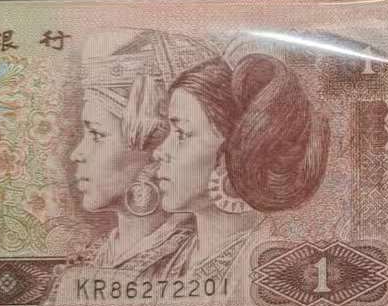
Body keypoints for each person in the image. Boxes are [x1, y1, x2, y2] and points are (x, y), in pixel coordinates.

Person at [150, 47, 331, 283]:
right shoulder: (161, 261)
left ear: (236, 151)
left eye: (182, 133)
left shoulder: (272, 267)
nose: (159, 152)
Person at [68, 30, 214, 274]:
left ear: (157, 147)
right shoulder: (92, 259)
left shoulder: (196, 260)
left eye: (97, 135)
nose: (76, 154)